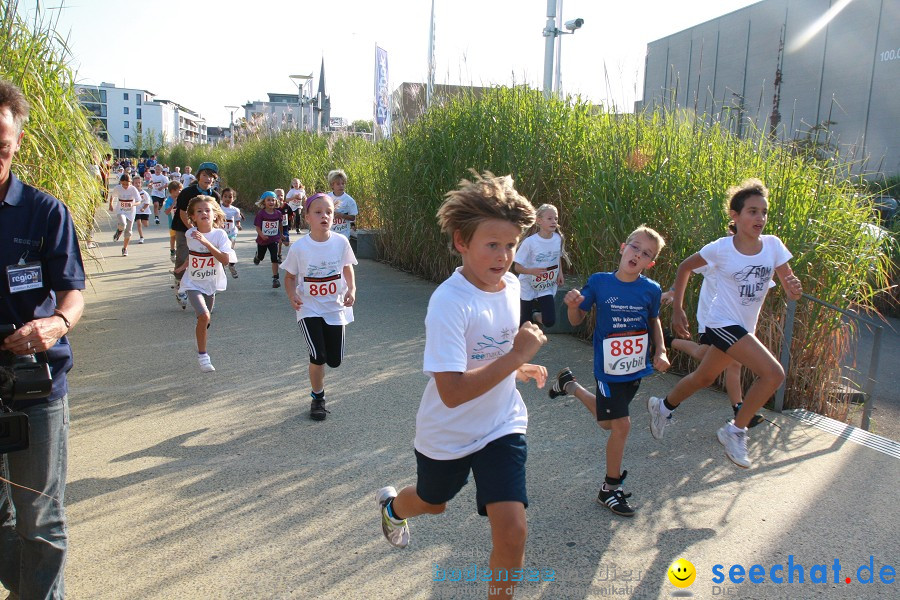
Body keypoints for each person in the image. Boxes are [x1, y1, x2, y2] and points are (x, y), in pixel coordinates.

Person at [376, 172, 547, 600]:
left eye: (511, 245)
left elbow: (492, 353)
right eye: (492, 244)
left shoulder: (509, 286)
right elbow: (450, 393)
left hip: (501, 424)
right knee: (434, 502)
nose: (504, 256)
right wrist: (516, 358)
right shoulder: (449, 303)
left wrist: (517, 370)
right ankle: (393, 508)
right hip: (448, 434)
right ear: (461, 242)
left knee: (513, 530)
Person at [647, 179, 803, 468]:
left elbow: (789, 286)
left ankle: (663, 406)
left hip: (744, 328)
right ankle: (735, 430)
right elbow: (685, 267)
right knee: (773, 374)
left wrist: (794, 288)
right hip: (721, 323)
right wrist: (678, 309)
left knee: (704, 377)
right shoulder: (722, 248)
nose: (760, 218)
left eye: (764, 212)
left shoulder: (773, 246)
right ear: (735, 215)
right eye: (752, 212)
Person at [0, 78, 86, 600]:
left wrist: (56, 323)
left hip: (36, 384)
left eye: (0, 147)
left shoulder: (45, 212)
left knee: (38, 515)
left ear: (17, 142)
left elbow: (72, 295)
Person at [547, 225, 670, 517]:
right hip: (608, 370)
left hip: (635, 370)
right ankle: (610, 488)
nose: (638, 255)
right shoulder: (600, 283)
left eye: (646, 254)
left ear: (650, 263)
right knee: (621, 425)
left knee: (608, 423)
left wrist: (661, 350)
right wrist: (573, 306)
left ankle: (569, 386)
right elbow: (576, 320)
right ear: (622, 247)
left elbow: (654, 321)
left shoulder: (650, 290)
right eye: (635, 247)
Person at [659, 224, 766, 428]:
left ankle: (669, 342)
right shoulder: (718, 253)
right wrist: (673, 294)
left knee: (721, 360)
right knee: (718, 359)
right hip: (712, 320)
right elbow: (687, 268)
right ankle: (739, 410)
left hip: (737, 325)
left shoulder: (753, 259)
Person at [281, 192, 357, 420]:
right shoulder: (300, 248)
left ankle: (319, 389)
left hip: (335, 308)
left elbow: (347, 267)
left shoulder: (341, 242)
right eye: (318, 212)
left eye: (329, 212)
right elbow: (290, 277)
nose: (324, 216)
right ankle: (318, 398)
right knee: (318, 355)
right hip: (309, 308)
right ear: (307, 217)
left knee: (334, 360)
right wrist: (292, 294)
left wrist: (352, 289)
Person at [173, 196, 232, 371]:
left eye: (208, 210)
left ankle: (201, 336)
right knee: (204, 316)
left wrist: (206, 242)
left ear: (215, 214)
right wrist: (184, 266)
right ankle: (203, 356)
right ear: (193, 216)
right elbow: (193, 254)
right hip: (193, 282)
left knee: (205, 321)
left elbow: (225, 260)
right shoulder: (190, 234)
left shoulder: (220, 234)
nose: (204, 213)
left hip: (211, 283)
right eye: (199, 211)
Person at [172, 162, 220, 308]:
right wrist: (193, 230)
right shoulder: (187, 192)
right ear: (198, 176)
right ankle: (179, 285)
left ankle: (204, 287)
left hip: (206, 231)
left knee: (203, 258)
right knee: (183, 255)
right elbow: (181, 213)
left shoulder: (215, 196)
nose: (208, 179)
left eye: (211, 177)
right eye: (205, 175)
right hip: (184, 228)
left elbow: (216, 216)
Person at [513, 203, 566, 329]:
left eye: (556, 218)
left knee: (549, 321)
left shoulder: (558, 238)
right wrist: (531, 271)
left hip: (545, 284)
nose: (554, 221)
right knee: (524, 325)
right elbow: (517, 267)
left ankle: (535, 314)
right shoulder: (530, 242)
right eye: (549, 218)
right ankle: (530, 313)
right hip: (528, 284)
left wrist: (560, 273)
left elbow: (557, 256)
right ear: (539, 221)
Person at [252, 191, 283, 288]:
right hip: (263, 240)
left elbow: (280, 225)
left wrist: (281, 235)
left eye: (273, 200)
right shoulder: (261, 214)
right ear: (264, 202)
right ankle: (257, 256)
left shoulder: (278, 213)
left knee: (275, 258)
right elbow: (257, 227)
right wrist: (262, 235)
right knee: (261, 257)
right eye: (268, 200)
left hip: (273, 240)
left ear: (276, 202)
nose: (271, 202)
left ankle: (275, 278)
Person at [108, 173, 142, 256]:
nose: (125, 186)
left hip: (130, 212)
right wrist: (111, 205)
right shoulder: (118, 188)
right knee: (123, 224)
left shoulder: (133, 189)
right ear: (120, 182)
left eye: (127, 184)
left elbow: (139, 201)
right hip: (121, 210)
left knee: (128, 232)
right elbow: (112, 196)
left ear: (130, 182)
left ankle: (125, 248)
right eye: (123, 184)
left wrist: (133, 204)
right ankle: (119, 231)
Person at [327, 169, 357, 239]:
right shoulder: (327, 198)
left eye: (343, 184)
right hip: (330, 234)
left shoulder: (349, 200)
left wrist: (342, 215)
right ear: (332, 185)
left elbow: (353, 217)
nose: (341, 186)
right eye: (338, 184)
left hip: (344, 235)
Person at [220, 188, 243, 278]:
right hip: (221, 234)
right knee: (221, 251)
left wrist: (238, 225)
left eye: (230, 197)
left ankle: (231, 265)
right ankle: (221, 270)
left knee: (230, 249)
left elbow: (237, 220)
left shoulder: (235, 210)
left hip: (231, 233)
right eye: (225, 196)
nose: (227, 199)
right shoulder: (218, 208)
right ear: (221, 197)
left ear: (233, 199)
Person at [163, 180, 183, 263]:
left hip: (181, 223)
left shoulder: (182, 199)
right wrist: (173, 205)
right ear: (172, 191)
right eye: (179, 190)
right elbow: (166, 212)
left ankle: (180, 252)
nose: (180, 192)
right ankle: (172, 250)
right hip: (172, 223)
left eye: (181, 190)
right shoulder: (168, 200)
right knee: (173, 237)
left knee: (181, 238)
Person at [132, 176, 152, 244]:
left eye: (139, 183)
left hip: (144, 210)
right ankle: (141, 237)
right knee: (138, 223)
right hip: (136, 211)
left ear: (141, 183)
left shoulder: (144, 193)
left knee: (145, 224)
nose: (137, 184)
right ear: (133, 184)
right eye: (136, 183)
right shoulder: (132, 193)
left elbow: (147, 202)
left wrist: (143, 208)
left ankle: (144, 223)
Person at [274, 188, 290, 261]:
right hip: (276, 227)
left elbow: (290, 214)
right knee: (279, 241)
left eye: (282, 195)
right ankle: (279, 255)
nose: (280, 197)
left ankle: (279, 253)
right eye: (278, 195)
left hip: (284, 227)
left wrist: (290, 222)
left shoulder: (286, 206)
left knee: (286, 243)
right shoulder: (273, 206)